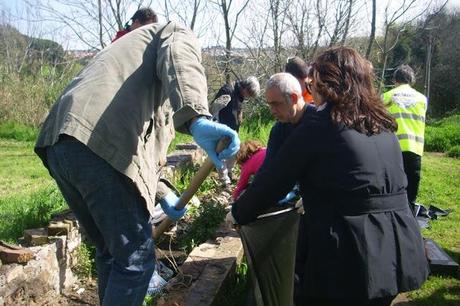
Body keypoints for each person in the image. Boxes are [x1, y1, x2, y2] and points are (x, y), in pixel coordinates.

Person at [34, 22, 240, 306]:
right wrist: (196, 117)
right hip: (99, 141)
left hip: (59, 142)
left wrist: (165, 194)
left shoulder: (130, 68)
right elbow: (180, 55)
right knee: (136, 260)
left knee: (110, 251)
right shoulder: (171, 30)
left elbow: (149, 150)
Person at [230, 47, 429, 306]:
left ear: (327, 83)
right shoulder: (382, 124)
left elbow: (273, 183)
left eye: (314, 83)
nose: (312, 90)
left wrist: (238, 212)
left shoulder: (321, 124)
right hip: (398, 250)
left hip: (350, 254)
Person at [383, 64, 428, 213]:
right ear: (412, 80)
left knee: (393, 185)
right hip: (415, 148)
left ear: (395, 79)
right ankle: (410, 217)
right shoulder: (422, 99)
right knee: (412, 187)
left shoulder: (387, 96)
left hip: (393, 148)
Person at [213, 76, 260, 185]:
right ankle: (224, 181)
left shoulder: (239, 95)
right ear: (245, 88)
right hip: (222, 129)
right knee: (222, 155)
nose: (248, 97)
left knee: (234, 151)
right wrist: (217, 128)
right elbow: (215, 110)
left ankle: (229, 172)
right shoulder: (227, 91)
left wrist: (239, 117)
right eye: (249, 94)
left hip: (232, 130)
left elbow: (237, 109)